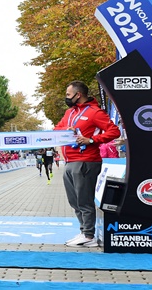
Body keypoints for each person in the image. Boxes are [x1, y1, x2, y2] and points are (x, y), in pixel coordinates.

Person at [54, 80, 120, 248]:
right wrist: (65, 131)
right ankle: (84, 231)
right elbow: (56, 130)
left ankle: (89, 234)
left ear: (78, 95)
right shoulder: (69, 113)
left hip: (86, 161)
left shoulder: (95, 112)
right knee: (74, 200)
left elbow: (114, 131)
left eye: (68, 95)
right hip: (69, 160)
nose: (66, 97)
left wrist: (91, 139)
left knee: (84, 199)